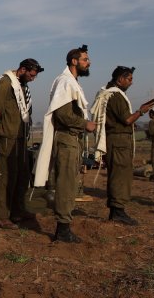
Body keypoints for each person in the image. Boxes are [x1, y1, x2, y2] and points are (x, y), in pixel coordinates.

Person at [32, 45, 96, 243]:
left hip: (72, 139)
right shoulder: (65, 82)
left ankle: (64, 224)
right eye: (85, 59)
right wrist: (85, 123)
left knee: (69, 182)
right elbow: (63, 114)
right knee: (66, 183)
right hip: (67, 138)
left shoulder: (72, 83)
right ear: (74, 61)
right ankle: (63, 228)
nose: (89, 62)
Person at [90, 66, 154, 226]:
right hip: (119, 142)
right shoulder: (116, 96)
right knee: (120, 176)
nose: (131, 83)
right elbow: (126, 120)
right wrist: (141, 111)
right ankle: (117, 211)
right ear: (120, 79)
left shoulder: (108, 93)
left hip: (116, 140)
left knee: (118, 175)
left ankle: (116, 210)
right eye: (129, 79)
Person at [0, 58, 43, 229]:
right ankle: (1, 215)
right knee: (7, 177)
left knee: (22, 176)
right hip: (8, 137)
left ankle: (17, 211)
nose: (32, 78)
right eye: (31, 75)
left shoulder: (21, 86)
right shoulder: (6, 83)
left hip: (20, 139)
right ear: (22, 69)